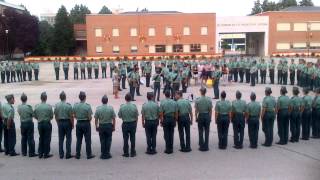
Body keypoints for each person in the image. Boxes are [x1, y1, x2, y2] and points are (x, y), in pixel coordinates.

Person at [73, 91, 95, 159]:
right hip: (86, 123)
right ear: (85, 98)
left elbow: (74, 115)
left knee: (79, 140)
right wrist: (88, 120)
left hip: (79, 123)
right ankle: (89, 154)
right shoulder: (87, 106)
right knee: (88, 140)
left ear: (79, 98)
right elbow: (90, 117)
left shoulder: (75, 105)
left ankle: (77, 154)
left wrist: (78, 118)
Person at [94, 95, 116, 159]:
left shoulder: (98, 108)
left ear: (102, 101)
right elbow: (114, 118)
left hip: (101, 126)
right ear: (107, 101)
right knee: (108, 140)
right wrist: (114, 126)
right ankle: (107, 153)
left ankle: (103, 153)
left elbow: (96, 119)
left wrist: (96, 126)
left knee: (102, 140)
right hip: (109, 126)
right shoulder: (111, 108)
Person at [54, 91, 74, 159]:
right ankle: (68, 154)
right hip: (67, 122)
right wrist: (72, 124)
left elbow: (56, 116)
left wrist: (58, 123)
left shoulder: (57, 105)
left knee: (61, 139)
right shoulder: (68, 105)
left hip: (60, 122)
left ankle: (61, 154)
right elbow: (71, 116)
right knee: (68, 139)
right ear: (65, 97)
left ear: (60, 97)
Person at [118, 93, 139, 157]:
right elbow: (136, 116)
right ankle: (133, 152)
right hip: (133, 124)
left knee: (125, 139)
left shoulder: (122, 106)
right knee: (133, 138)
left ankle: (126, 152)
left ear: (125, 99)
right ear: (131, 99)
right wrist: (136, 123)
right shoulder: (134, 106)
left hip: (125, 124)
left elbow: (119, 116)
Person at [34, 92, 53, 159]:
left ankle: (40, 153)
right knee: (47, 139)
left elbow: (35, 115)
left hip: (40, 123)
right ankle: (46, 153)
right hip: (47, 123)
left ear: (40, 98)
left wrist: (39, 118)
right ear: (46, 98)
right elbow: (51, 116)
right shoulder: (49, 106)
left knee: (41, 138)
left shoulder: (37, 106)